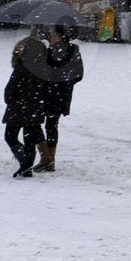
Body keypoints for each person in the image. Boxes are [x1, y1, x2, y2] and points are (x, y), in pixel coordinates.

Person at [2, 29, 51, 178]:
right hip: (35, 107)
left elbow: (10, 89)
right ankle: (27, 165)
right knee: (30, 138)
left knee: (11, 136)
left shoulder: (21, 68)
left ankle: (24, 162)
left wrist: (10, 100)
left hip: (18, 107)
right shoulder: (43, 68)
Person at [37, 24, 85, 172]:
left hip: (47, 93)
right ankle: (50, 159)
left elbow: (42, 72)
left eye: (50, 34)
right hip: (62, 94)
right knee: (52, 125)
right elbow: (79, 74)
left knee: (35, 124)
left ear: (58, 36)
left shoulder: (48, 52)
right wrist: (66, 84)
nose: (49, 37)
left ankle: (46, 158)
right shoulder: (73, 50)